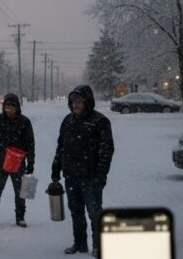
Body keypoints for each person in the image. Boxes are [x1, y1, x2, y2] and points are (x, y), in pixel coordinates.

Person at [51, 85, 114, 257]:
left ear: (88, 102)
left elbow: (106, 150)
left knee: (94, 212)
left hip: (91, 177)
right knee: (75, 211)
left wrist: (101, 174)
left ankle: (98, 245)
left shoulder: (99, 121)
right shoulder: (68, 121)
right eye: (73, 102)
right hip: (71, 176)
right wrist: (56, 167)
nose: (76, 105)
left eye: (79, 101)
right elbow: (61, 147)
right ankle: (79, 244)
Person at [0, 93, 35, 228]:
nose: (9, 109)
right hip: (0, 162)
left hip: (18, 163)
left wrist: (31, 162)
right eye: (6, 106)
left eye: (12, 106)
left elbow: (30, 143)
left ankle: (20, 217)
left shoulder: (24, 122)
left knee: (20, 192)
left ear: (17, 107)